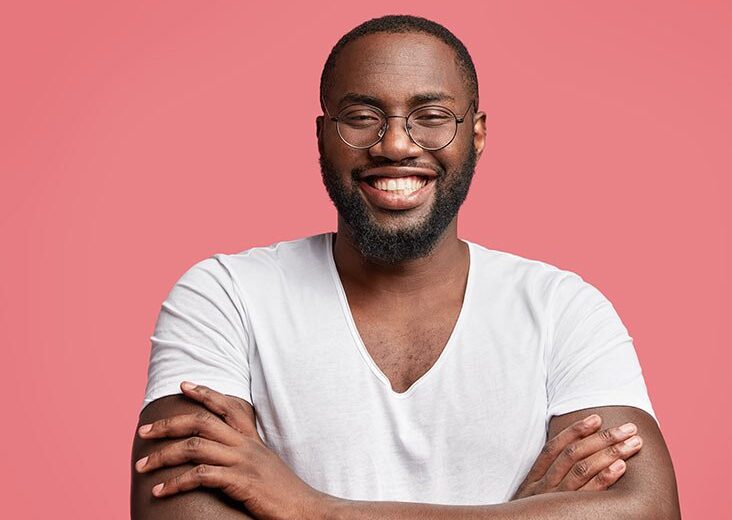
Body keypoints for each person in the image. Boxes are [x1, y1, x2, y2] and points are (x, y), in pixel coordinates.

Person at [131, 15, 680, 519]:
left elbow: (649, 511)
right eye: (361, 118)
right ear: (321, 136)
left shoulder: (563, 310)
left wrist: (311, 509)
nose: (394, 144)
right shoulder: (227, 297)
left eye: (431, 118)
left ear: (477, 135)